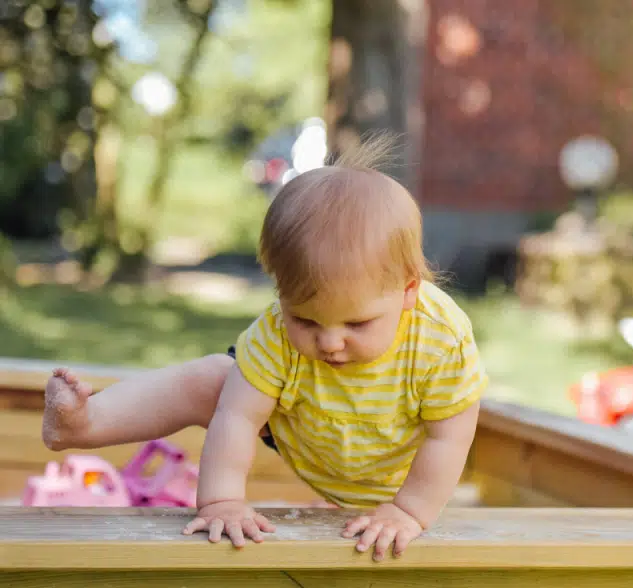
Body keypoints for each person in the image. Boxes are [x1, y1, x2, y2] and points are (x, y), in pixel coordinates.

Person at [40, 133, 488, 560]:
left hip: (398, 468)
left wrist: (409, 511)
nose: (330, 342)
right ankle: (85, 422)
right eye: (305, 320)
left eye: (358, 322)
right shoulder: (274, 332)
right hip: (307, 428)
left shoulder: (439, 340)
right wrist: (221, 501)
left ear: (409, 292)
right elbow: (236, 417)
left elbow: (449, 437)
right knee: (215, 379)